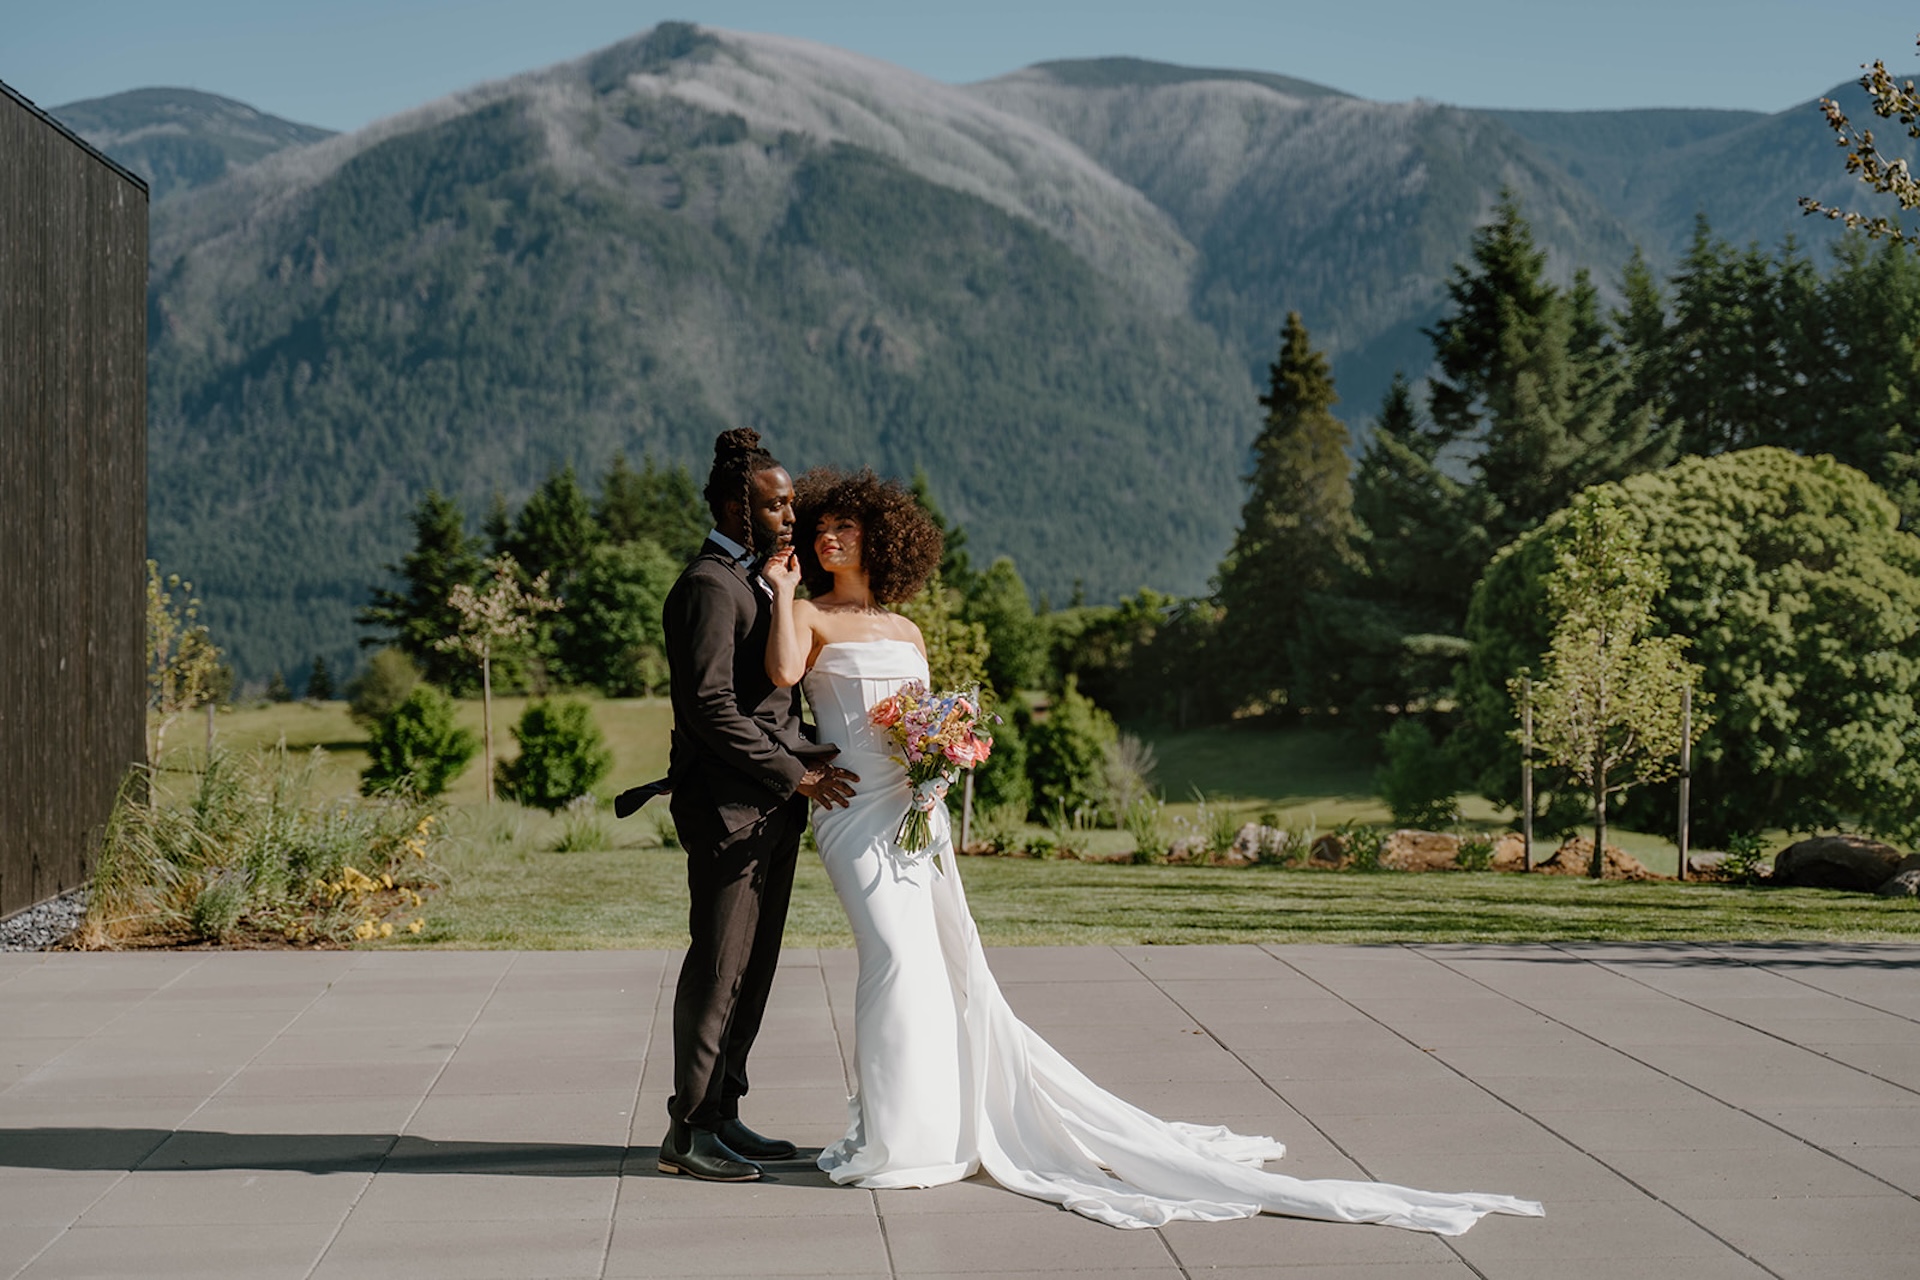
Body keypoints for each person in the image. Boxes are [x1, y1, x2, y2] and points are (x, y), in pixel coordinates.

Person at [762, 466, 1545, 1234]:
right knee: (895, 957)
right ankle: (892, 1139)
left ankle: (932, 1130)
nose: (830, 536)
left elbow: (920, 715)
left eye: (846, 527)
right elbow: (785, 671)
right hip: (852, 811)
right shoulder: (813, 618)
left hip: (916, 810)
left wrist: (941, 756)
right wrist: (784, 590)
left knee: (942, 962)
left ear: (882, 540)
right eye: (822, 527)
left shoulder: (907, 630)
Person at [655, 429, 859, 1183]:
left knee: (755, 966)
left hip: (770, 806)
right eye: (777, 504)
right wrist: (793, 773)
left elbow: (769, 698)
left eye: (792, 501)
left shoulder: (757, 580)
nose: (790, 514)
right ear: (732, 506)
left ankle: (726, 1113)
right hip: (728, 809)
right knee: (717, 969)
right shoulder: (708, 585)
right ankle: (689, 1129)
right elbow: (707, 707)